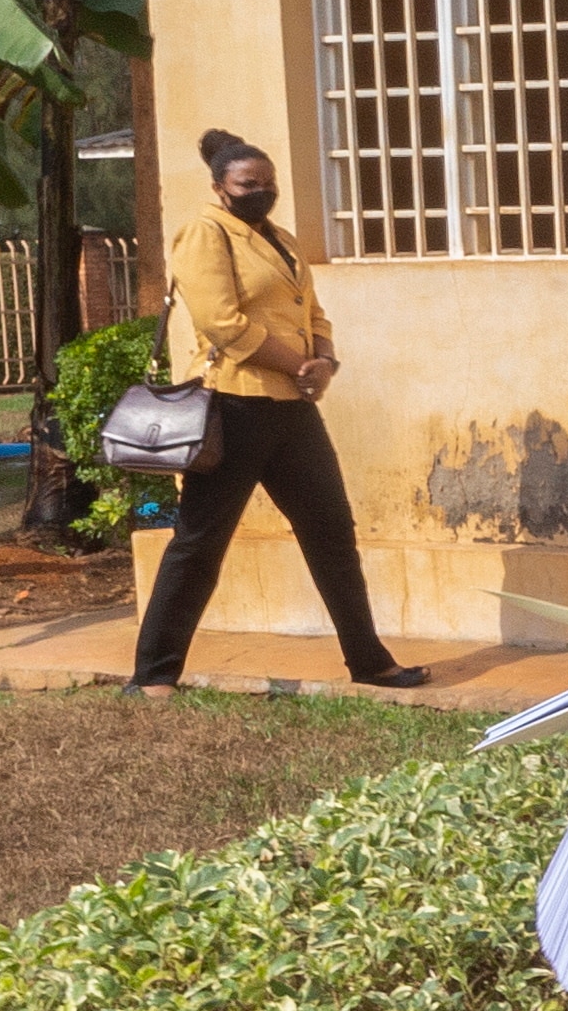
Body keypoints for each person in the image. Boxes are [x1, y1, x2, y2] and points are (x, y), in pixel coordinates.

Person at [125, 131, 425, 697]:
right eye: (247, 185)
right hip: (232, 406)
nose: (260, 192)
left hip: (292, 411)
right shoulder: (205, 234)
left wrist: (325, 361)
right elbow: (221, 323)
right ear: (220, 188)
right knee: (200, 541)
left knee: (332, 533)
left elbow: (312, 310)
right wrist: (298, 364)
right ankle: (153, 677)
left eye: (268, 184)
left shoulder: (281, 240)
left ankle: (369, 661)